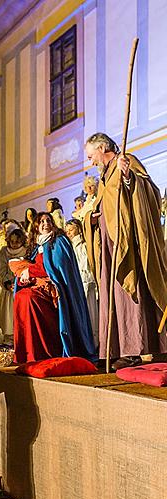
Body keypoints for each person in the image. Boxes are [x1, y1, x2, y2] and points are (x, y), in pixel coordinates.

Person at [84, 132, 167, 368]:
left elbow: (151, 192)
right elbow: (103, 207)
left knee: (133, 294)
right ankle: (119, 348)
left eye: (92, 156)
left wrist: (129, 177)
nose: (91, 162)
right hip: (110, 247)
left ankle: (140, 348)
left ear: (102, 148)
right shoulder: (104, 177)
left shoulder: (126, 160)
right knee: (115, 298)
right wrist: (91, 219)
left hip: (129, 245)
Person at [12, 213, 96, 364]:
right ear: (36, 226)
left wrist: (30, 272)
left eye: (48, 220)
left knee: (29, 298)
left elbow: (56, 266)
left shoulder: (59, 241)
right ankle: (29, 353)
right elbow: (33, 265)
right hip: (39, 286)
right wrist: (23, 274)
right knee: (21, 296)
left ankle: (46, 350)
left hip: (57, 291)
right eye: (41, 221)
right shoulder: (36, 246)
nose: (45, 223)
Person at [65, 219, 99, 348]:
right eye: (67, 231)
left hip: (86, 283)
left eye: (71, 230)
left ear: (78, 229)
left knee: (91, 315)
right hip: (75, 285)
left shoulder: (83, 245)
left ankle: (93, 344)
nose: (69, 233)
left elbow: (86, 265)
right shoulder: (69, 246)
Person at [0, 224, 26, 344]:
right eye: (12, 241)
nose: (14, 244)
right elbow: (1, 269)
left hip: (21, 288)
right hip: (8, 289)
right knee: (8, 317)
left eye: (17, 242)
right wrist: (7, 284)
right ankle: (9, 339)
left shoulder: (26, 251)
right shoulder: (4, 251)